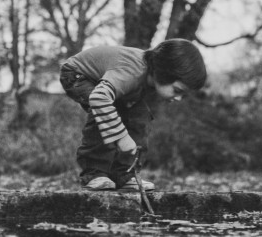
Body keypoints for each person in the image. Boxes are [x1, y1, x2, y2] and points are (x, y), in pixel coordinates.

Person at [59, 39, 207, 190]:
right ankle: (94, 173)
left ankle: (125, 175)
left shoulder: (148, 78)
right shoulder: (131, 72)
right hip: (77, 74)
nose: (179, 98)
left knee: (140, 116)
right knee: (104, 112)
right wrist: (122, 137)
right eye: (177, 90)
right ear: (164, 73)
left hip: (106, 82)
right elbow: (99, 98)